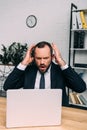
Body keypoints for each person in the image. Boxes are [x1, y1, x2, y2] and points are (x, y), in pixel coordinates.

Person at [3, 41, 86, 106]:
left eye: (46, 58)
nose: (42, 62)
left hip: (56, 112)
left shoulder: (60, 71)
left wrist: (61, 61)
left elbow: (80, 88)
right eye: (38, 58)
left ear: (52, 57)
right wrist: (24, 62)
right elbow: (7, 87)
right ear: (33, 58)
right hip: (31, 110)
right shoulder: (28, 71)